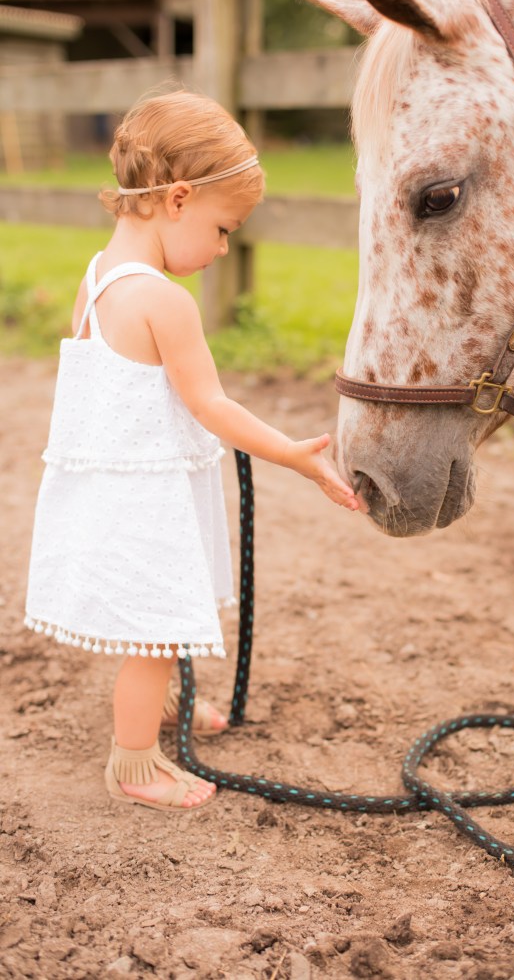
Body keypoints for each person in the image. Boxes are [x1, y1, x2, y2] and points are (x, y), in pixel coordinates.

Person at [23, 90, 358, 813]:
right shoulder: (165, 301)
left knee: (161, 617)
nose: (224, 248)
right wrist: (295, 455)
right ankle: (135, 762)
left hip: (116, 484)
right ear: (176, 199)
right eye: (224, 227)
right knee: (151, 632)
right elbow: (212, 406)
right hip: (143, 496)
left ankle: (162, 710)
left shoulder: (97, 276)